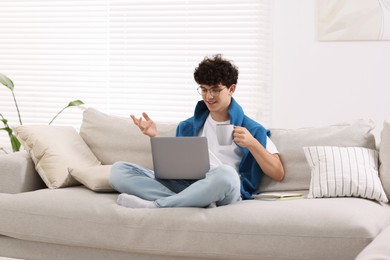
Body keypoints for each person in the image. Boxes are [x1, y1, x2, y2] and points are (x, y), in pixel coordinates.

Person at [109, 54, 284, 208]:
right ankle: (195, 200)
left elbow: (278, 172)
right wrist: (155, 137)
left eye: (215, 90)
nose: (209, 96)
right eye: (204, 89)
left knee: (226, 174)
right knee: (119, 170)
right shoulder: (187, 126)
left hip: (224, 188)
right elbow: (175, 167)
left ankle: (158, 205)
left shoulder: (252, 129)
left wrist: (252, 143)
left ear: (231, 89)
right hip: (189, 185)